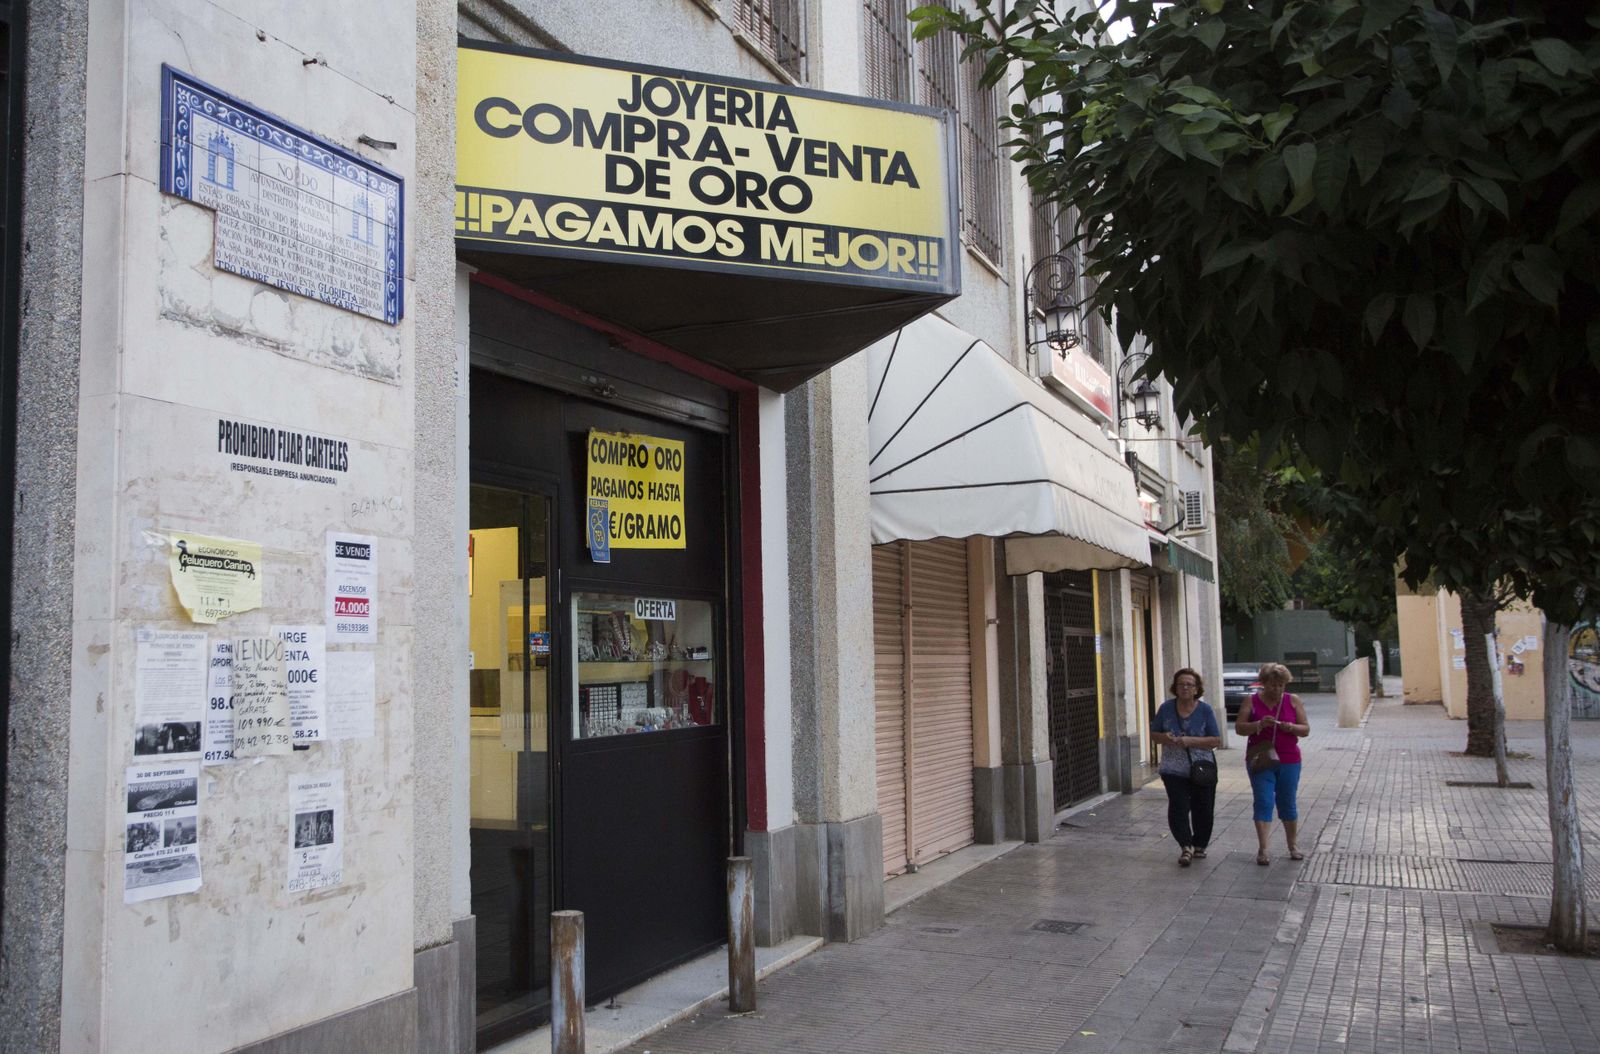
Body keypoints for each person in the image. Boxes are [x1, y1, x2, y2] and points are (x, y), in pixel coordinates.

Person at [1237, 662, 1310, 865]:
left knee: (1287, 801)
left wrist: (1291, 727)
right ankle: (1263, 849)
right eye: (1271, 685)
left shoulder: (1293, 701)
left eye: (1280, 685)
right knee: (1264, 800)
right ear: (1263, 684)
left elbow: (1305, 729)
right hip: (1261, 758)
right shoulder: (1251, 702)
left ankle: (1292, 845)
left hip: (1289, 759)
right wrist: (1258, 725)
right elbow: (1240, 728)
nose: (1276, 689)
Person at [1152, 667, 1222, 867]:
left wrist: (1190, 740)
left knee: (1204, 807)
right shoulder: (1166, 708)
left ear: (1196, 688)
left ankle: (1200, 844)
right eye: (1181, 684)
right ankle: (1185, 845)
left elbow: (1215, 740)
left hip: (1201, 766)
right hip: (1173, 767)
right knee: (1179, 806)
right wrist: (1164, 737)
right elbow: (1154, 734)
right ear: (1175, 687)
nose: (1185, 688)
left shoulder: (1205, 710)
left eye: (1189, 684)